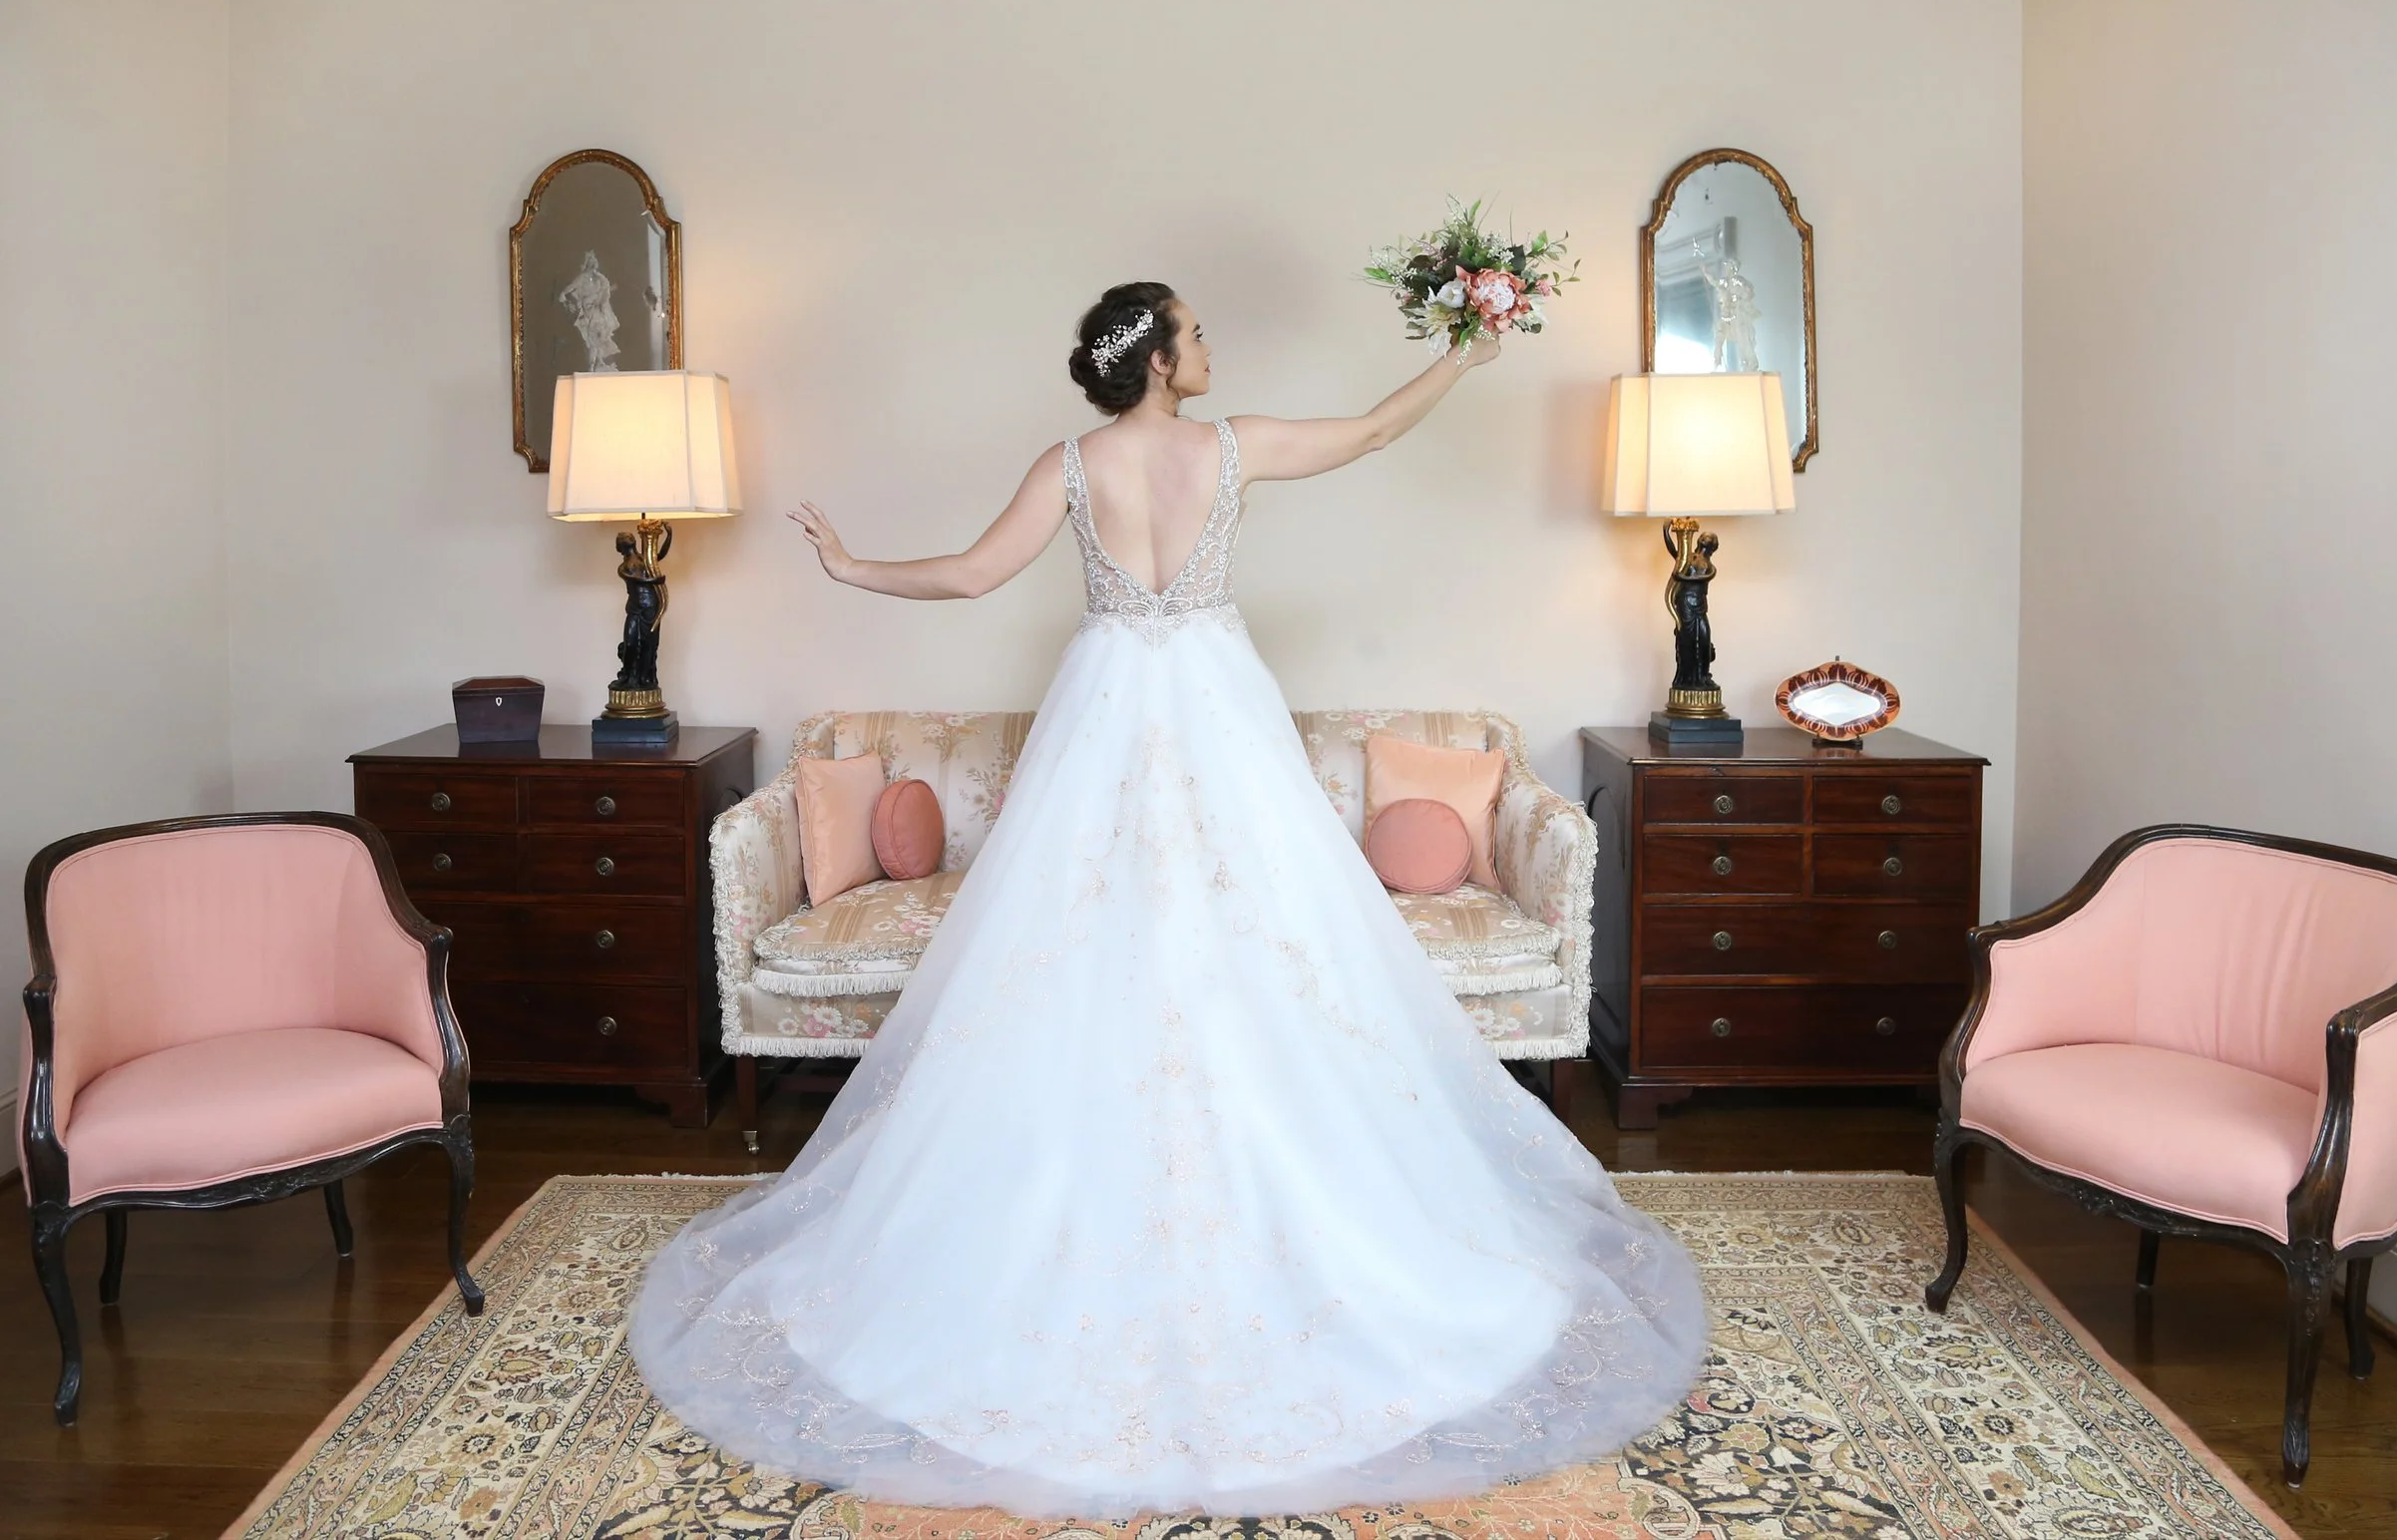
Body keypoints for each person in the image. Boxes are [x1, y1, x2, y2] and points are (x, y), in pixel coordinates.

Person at [628, 281, 1707, 1518]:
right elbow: (1365, 432)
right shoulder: (1229, 448)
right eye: (1195, 333)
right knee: (1255, 940)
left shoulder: (1074, 462)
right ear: (1156, 359)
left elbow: (978, 573)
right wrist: (1463, 356)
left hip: (1106, 696)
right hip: (1209, 695)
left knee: (1087, 942)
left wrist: (853, 565)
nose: (1209, 348)